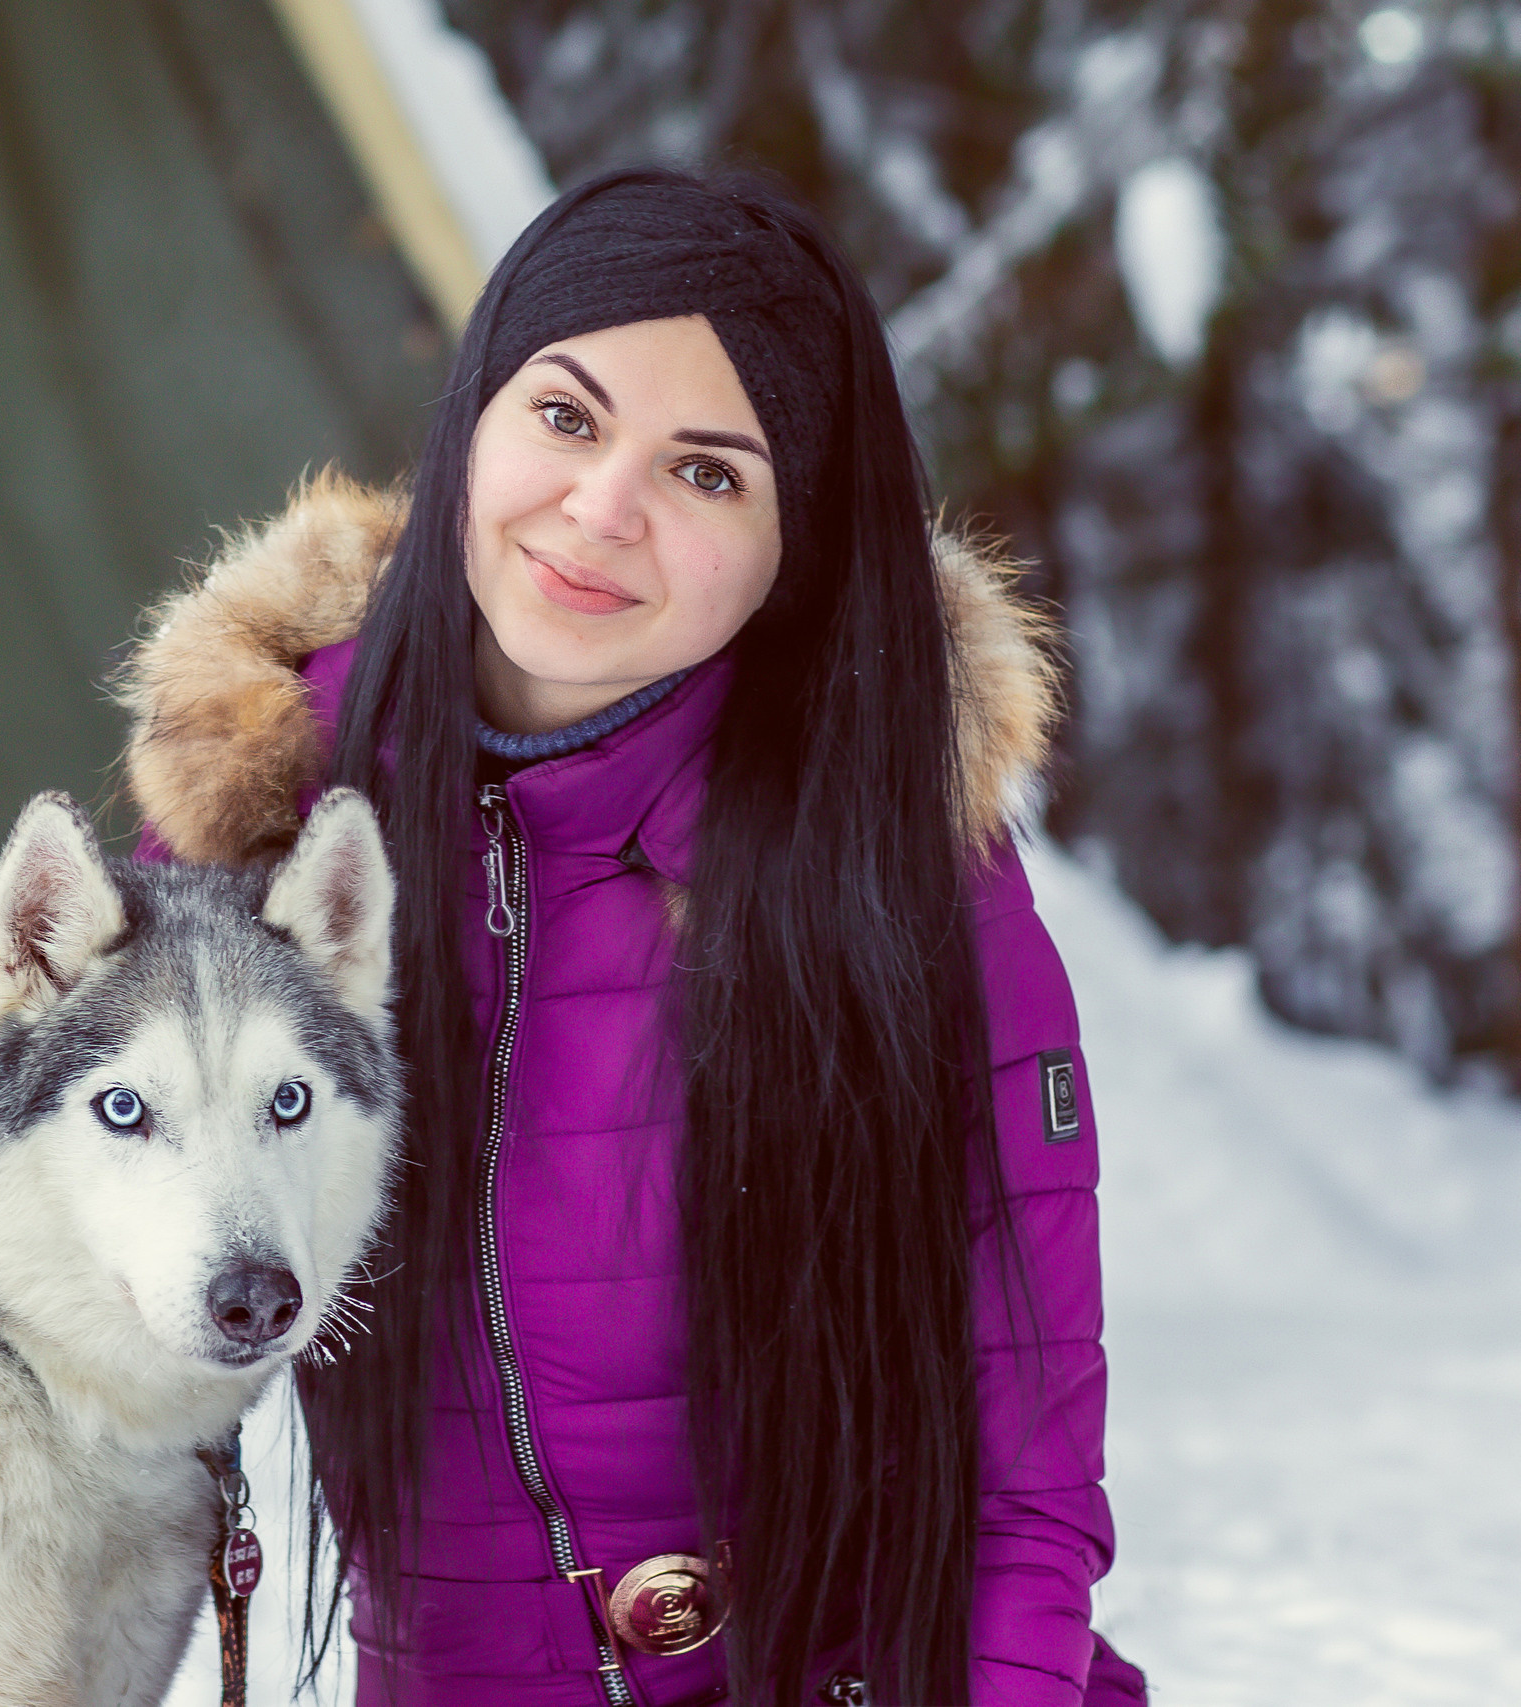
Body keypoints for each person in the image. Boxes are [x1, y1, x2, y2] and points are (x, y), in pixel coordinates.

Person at [116, 168, 1143, 1706]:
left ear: (800, 543)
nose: (603, 511)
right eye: (568, 417)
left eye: (710, 474)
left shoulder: (901, 869)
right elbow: (19, 1214)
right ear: (476, 414)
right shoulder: (267, 814)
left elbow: (1026, 1495)